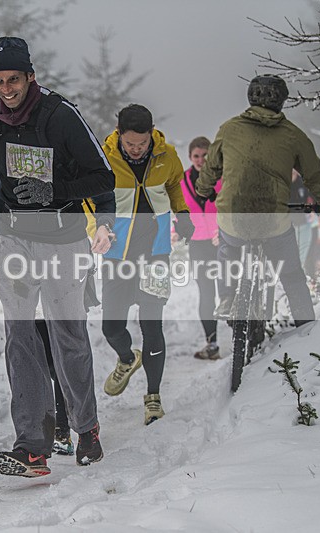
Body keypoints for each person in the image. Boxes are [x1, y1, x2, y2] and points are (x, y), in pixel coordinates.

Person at [0, 36, 115, 477]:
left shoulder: (60, 116)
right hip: (13, 240)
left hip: (62, 241)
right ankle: (31, 445)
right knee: (21, 340)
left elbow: (102, 177)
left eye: (14, 79)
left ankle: (86, 426)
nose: (7, 89)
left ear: (31, 76)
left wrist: (55, 192)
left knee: (67, 337)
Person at [195, 74, 320, 328]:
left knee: (226, 249)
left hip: (234, 217)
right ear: (281, 101)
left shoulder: (229, 128)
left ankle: (226, 299)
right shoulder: (294, 135)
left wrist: (203, 190)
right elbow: (314, 174)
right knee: (292, 276)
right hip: (274, 223)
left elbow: (211, 167)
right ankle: (308, 327)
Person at [99, 104, 194, 425]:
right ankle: (127, 359)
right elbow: (92, 198)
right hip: (116, 250)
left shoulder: (166, 155)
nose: (137, 150)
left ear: (152, 133)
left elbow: (174, 186)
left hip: (155, 250)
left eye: (142, 143)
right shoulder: (105, 157)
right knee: (111, 326)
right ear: (119, 135)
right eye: (130, 144)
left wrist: (182, 215)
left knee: (151, 325)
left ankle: (153, 396)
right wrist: (95, 228)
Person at [175, 136, 222, 360]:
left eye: (205, 155)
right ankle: (212, 343)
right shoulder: (182, 180)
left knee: (227, 289)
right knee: (206, 293)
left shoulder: (222, 178)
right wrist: (175, 230)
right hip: (198, 243)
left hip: (223, 241)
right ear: (190, 157)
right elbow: (178, 210)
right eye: (196, 156)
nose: (201, 160)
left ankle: (241, 337)